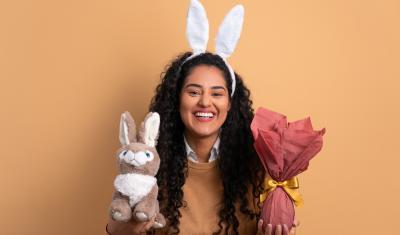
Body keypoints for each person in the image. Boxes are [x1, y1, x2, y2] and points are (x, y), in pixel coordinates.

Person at [106, 52, 299, 235]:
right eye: (194, 92)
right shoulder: (148, 161)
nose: (205, 102)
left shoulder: (260, 165)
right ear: (177, 99)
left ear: (230, 103)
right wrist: (130, 225)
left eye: (217, 94)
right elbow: (118, 228)